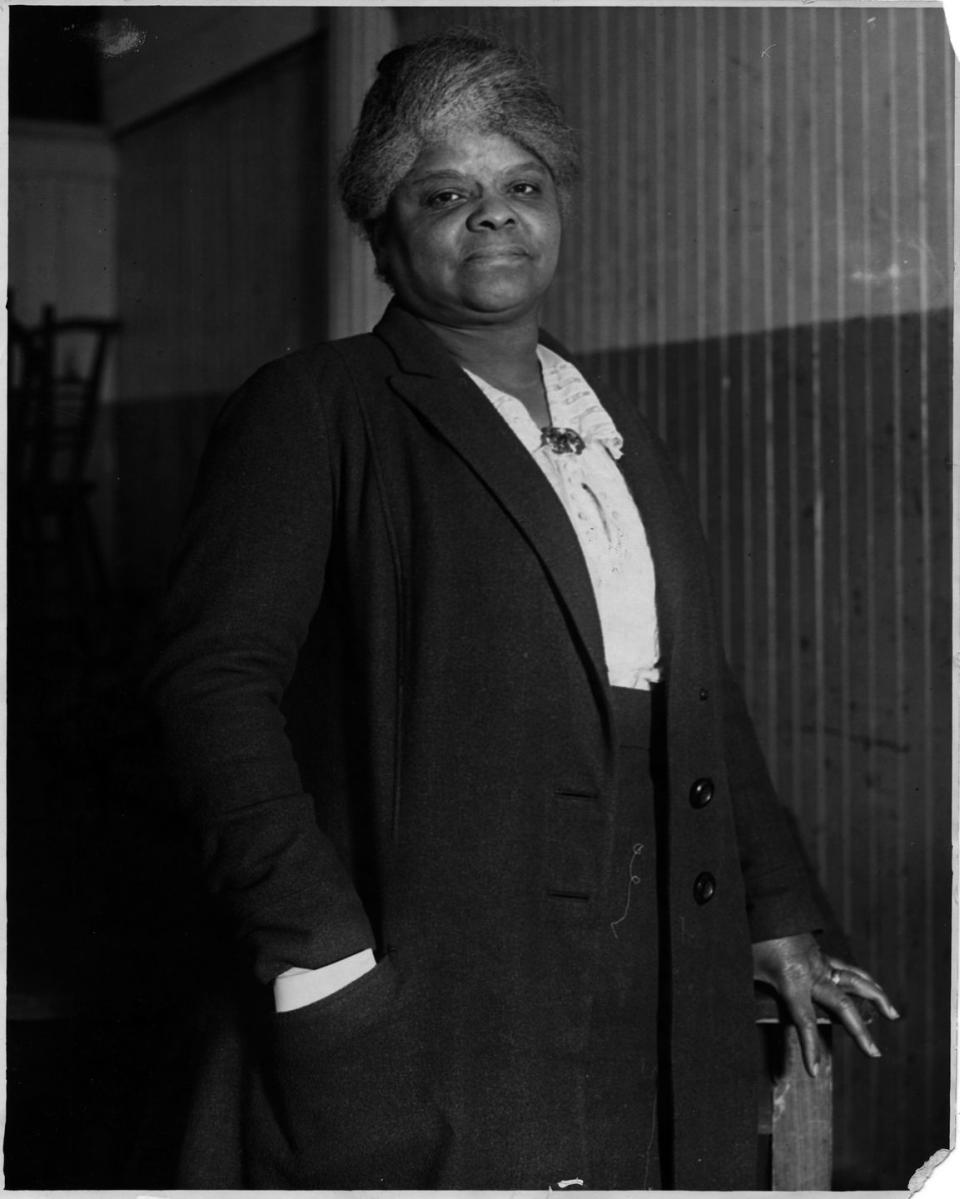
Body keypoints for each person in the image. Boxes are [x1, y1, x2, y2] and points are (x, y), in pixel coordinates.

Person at [148, 30, 898, 1191]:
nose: (495, 217)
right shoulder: (317, 409)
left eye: (523, 185)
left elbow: (694, 691)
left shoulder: (611, 427)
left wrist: (774, 908)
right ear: (384, 225)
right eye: (447, 191)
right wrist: (317, 951)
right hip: (439, 984)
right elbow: (210, 687)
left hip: (649, 967)